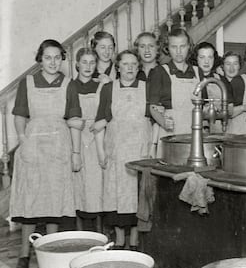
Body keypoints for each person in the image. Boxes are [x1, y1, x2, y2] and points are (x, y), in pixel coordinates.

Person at [10, 39, 79, 268]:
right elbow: (20, 115)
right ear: (40, 59)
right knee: (31, 200)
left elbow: (74, 118)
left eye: (57, 57)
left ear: (62, 59)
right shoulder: (27, 82)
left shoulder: (69, 84)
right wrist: (23, 141)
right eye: (48, 57)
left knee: (55, 201)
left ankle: (50, 250)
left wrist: (75, 151)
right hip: (33, 145)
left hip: (59, 145)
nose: (52, 62)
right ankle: (23, 252)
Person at [94, 50, 151, 250]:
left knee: (137, 198)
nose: (129, 68)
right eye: (125, 64)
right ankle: (119, 240)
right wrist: (101, 153)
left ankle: (134, 241)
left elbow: (155, 118)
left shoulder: (147, 88)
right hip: (116, 152)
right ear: (118, 67)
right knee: (117, 198)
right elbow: (99, 121)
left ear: (138, 67)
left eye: (134, 64)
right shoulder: (108, 89)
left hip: (139, 151)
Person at [67, 48, 104, 232]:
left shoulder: (100, 85)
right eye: (84, 62)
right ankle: (81, 234)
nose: (88, 66)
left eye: (92, 63)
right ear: (77, 64)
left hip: (97, 138)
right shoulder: (70, 86)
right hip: (77, 139)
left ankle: (99, 234)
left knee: (96, 188)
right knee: (78, 188)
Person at [148, 29, 201, 156]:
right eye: (174, 47)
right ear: (167, 48)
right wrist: (163, 121)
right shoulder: (159, 72)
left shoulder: (198, 72)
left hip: (194, 133)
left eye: (182, 46)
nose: (178, 51)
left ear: (189, 47)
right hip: (170, 133)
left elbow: (203, 107)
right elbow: (153, 107)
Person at [191, 42, 234, 133]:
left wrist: (219, 111)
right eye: (202, 57)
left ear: (214, 59)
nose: (206, 62)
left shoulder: (221, 80)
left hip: (217, 132)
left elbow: (230, 108)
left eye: (210, 57)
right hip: (193, 130)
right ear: (196, 59)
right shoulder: (190, 79)